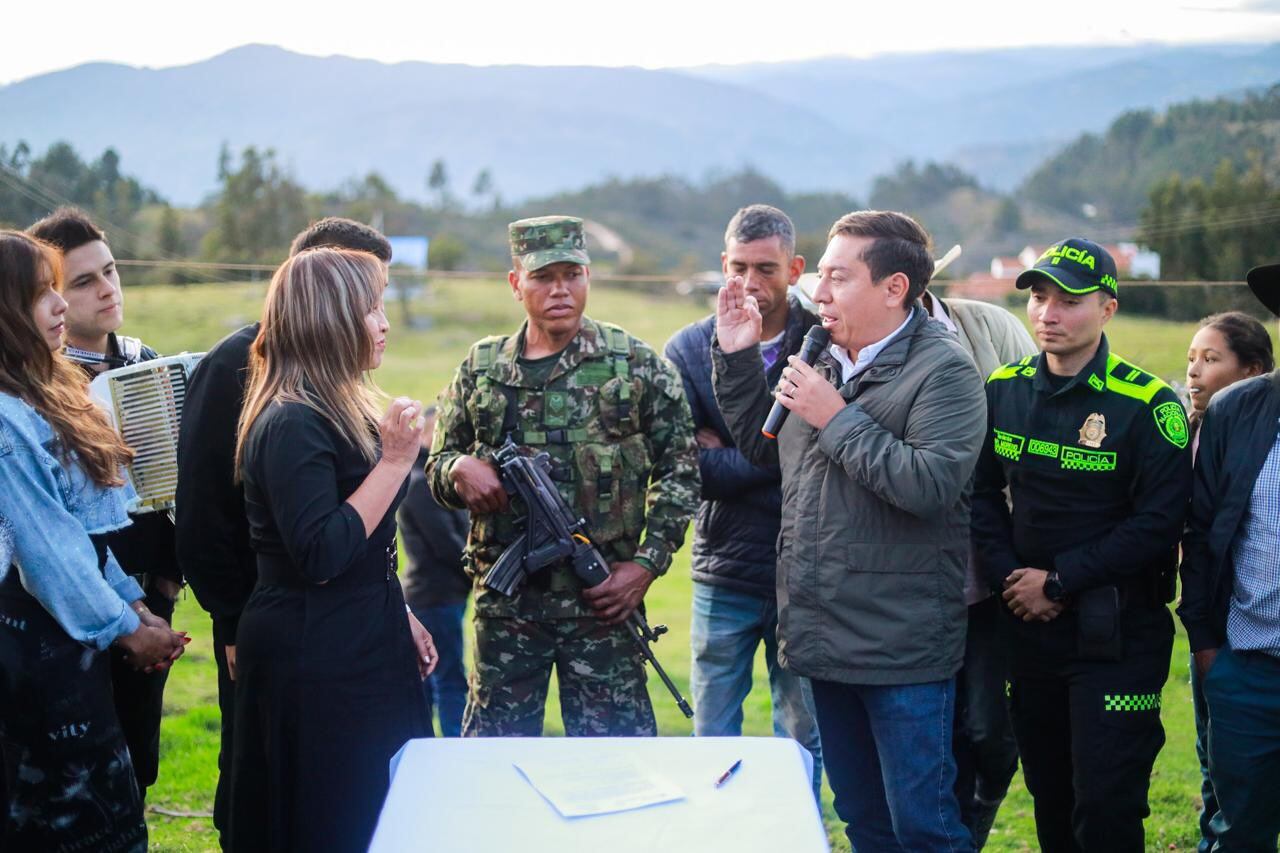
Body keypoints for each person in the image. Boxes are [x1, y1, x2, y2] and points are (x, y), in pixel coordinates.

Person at [712, 210, 984, 850]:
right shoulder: (823, 355)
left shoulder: (945, 371)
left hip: (902, 647)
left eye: (838, 278)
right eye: (822, 277)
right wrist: (736, 356)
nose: (819, 294)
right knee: (863, 820)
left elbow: (928, 486)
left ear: (895, 288)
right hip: (821, 636)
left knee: (923, 827)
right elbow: (763, 442)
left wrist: (835, 418)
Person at [427, 215, 698, 737]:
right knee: (495, 760)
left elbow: (682, 470)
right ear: (515, 284)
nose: (560, 290)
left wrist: (645, 566)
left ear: (588, 277)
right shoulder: (481, 368)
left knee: (616, 765)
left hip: (603, 604)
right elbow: (437, 466)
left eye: (572, 274)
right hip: (508, 610)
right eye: (543, 277)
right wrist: (460, 469)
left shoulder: (635, 364)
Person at [175, 217, 394, 846]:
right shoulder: (236, 365)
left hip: (337, 621)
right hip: (268, 615)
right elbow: (206, 512)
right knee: (264, 774)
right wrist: (231, 622)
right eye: (361, 292)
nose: (376, 313)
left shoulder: (340, 381)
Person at [971, 238, 1191, 852]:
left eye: (1069, 300)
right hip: (1028, 628)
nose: (1049, 313)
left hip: (1116, 637)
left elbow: (1158, 524)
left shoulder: (1147, 404)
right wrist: (1011, 580)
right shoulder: (1004, 389)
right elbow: (981, 495)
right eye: (1040, 297)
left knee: (1107, 802)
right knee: (1051, 795)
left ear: (1108, 308)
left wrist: (1060, 581)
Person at [227, 247, 435, 852]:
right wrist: (396, 461)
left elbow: (363, 548)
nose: (384, 322)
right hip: (315, 652)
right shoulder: (293, 421)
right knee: (334, 817)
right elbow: (321, 553)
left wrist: (398, 611)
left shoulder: (335, 408)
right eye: (371, 308)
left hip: (361, 633)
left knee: (383, 807)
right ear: (330, 318)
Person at [0, 230, 185, 851]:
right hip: (32, 656)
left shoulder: (36, 396)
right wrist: (128, 627)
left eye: (60, 289)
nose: (59, 308)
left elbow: (84, 537)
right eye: (41, 294)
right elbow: (49, 553)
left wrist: (136, 604)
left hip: (70, 651)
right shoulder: (4, 418)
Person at [663, 204, 823, 796]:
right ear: (722, 265)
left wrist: (729, 448)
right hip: (723, 569)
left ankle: (801, 829)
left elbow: (830, 453)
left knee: (805, 732)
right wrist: (785, 448)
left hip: (803, 569)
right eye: (739, 267)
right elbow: (685, 465)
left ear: (796, 267)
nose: (752, 283)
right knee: (713, 735)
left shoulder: (825, 341)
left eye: (767, 268)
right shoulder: (688, 348)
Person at [920, 285, 1035, 847]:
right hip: (915, 583)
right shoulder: (856, 342)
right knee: (930, 733)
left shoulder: (989, 327)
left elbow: (1030, 419)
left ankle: (975, 823)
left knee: (989, 729)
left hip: (988, 576)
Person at [1180, 265, 1280, 852]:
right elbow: (1203, 535)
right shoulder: (1236, 411)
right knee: (1238, 829)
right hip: (1249, 667)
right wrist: (1208, 647)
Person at [398, 404, 470, 736]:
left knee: (434, 679)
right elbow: (448, 546)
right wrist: (481, 570)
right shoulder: (421, 486)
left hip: (443, 594)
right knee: (448, 679)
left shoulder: (428, 481)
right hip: (434, 596)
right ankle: (454, 748)